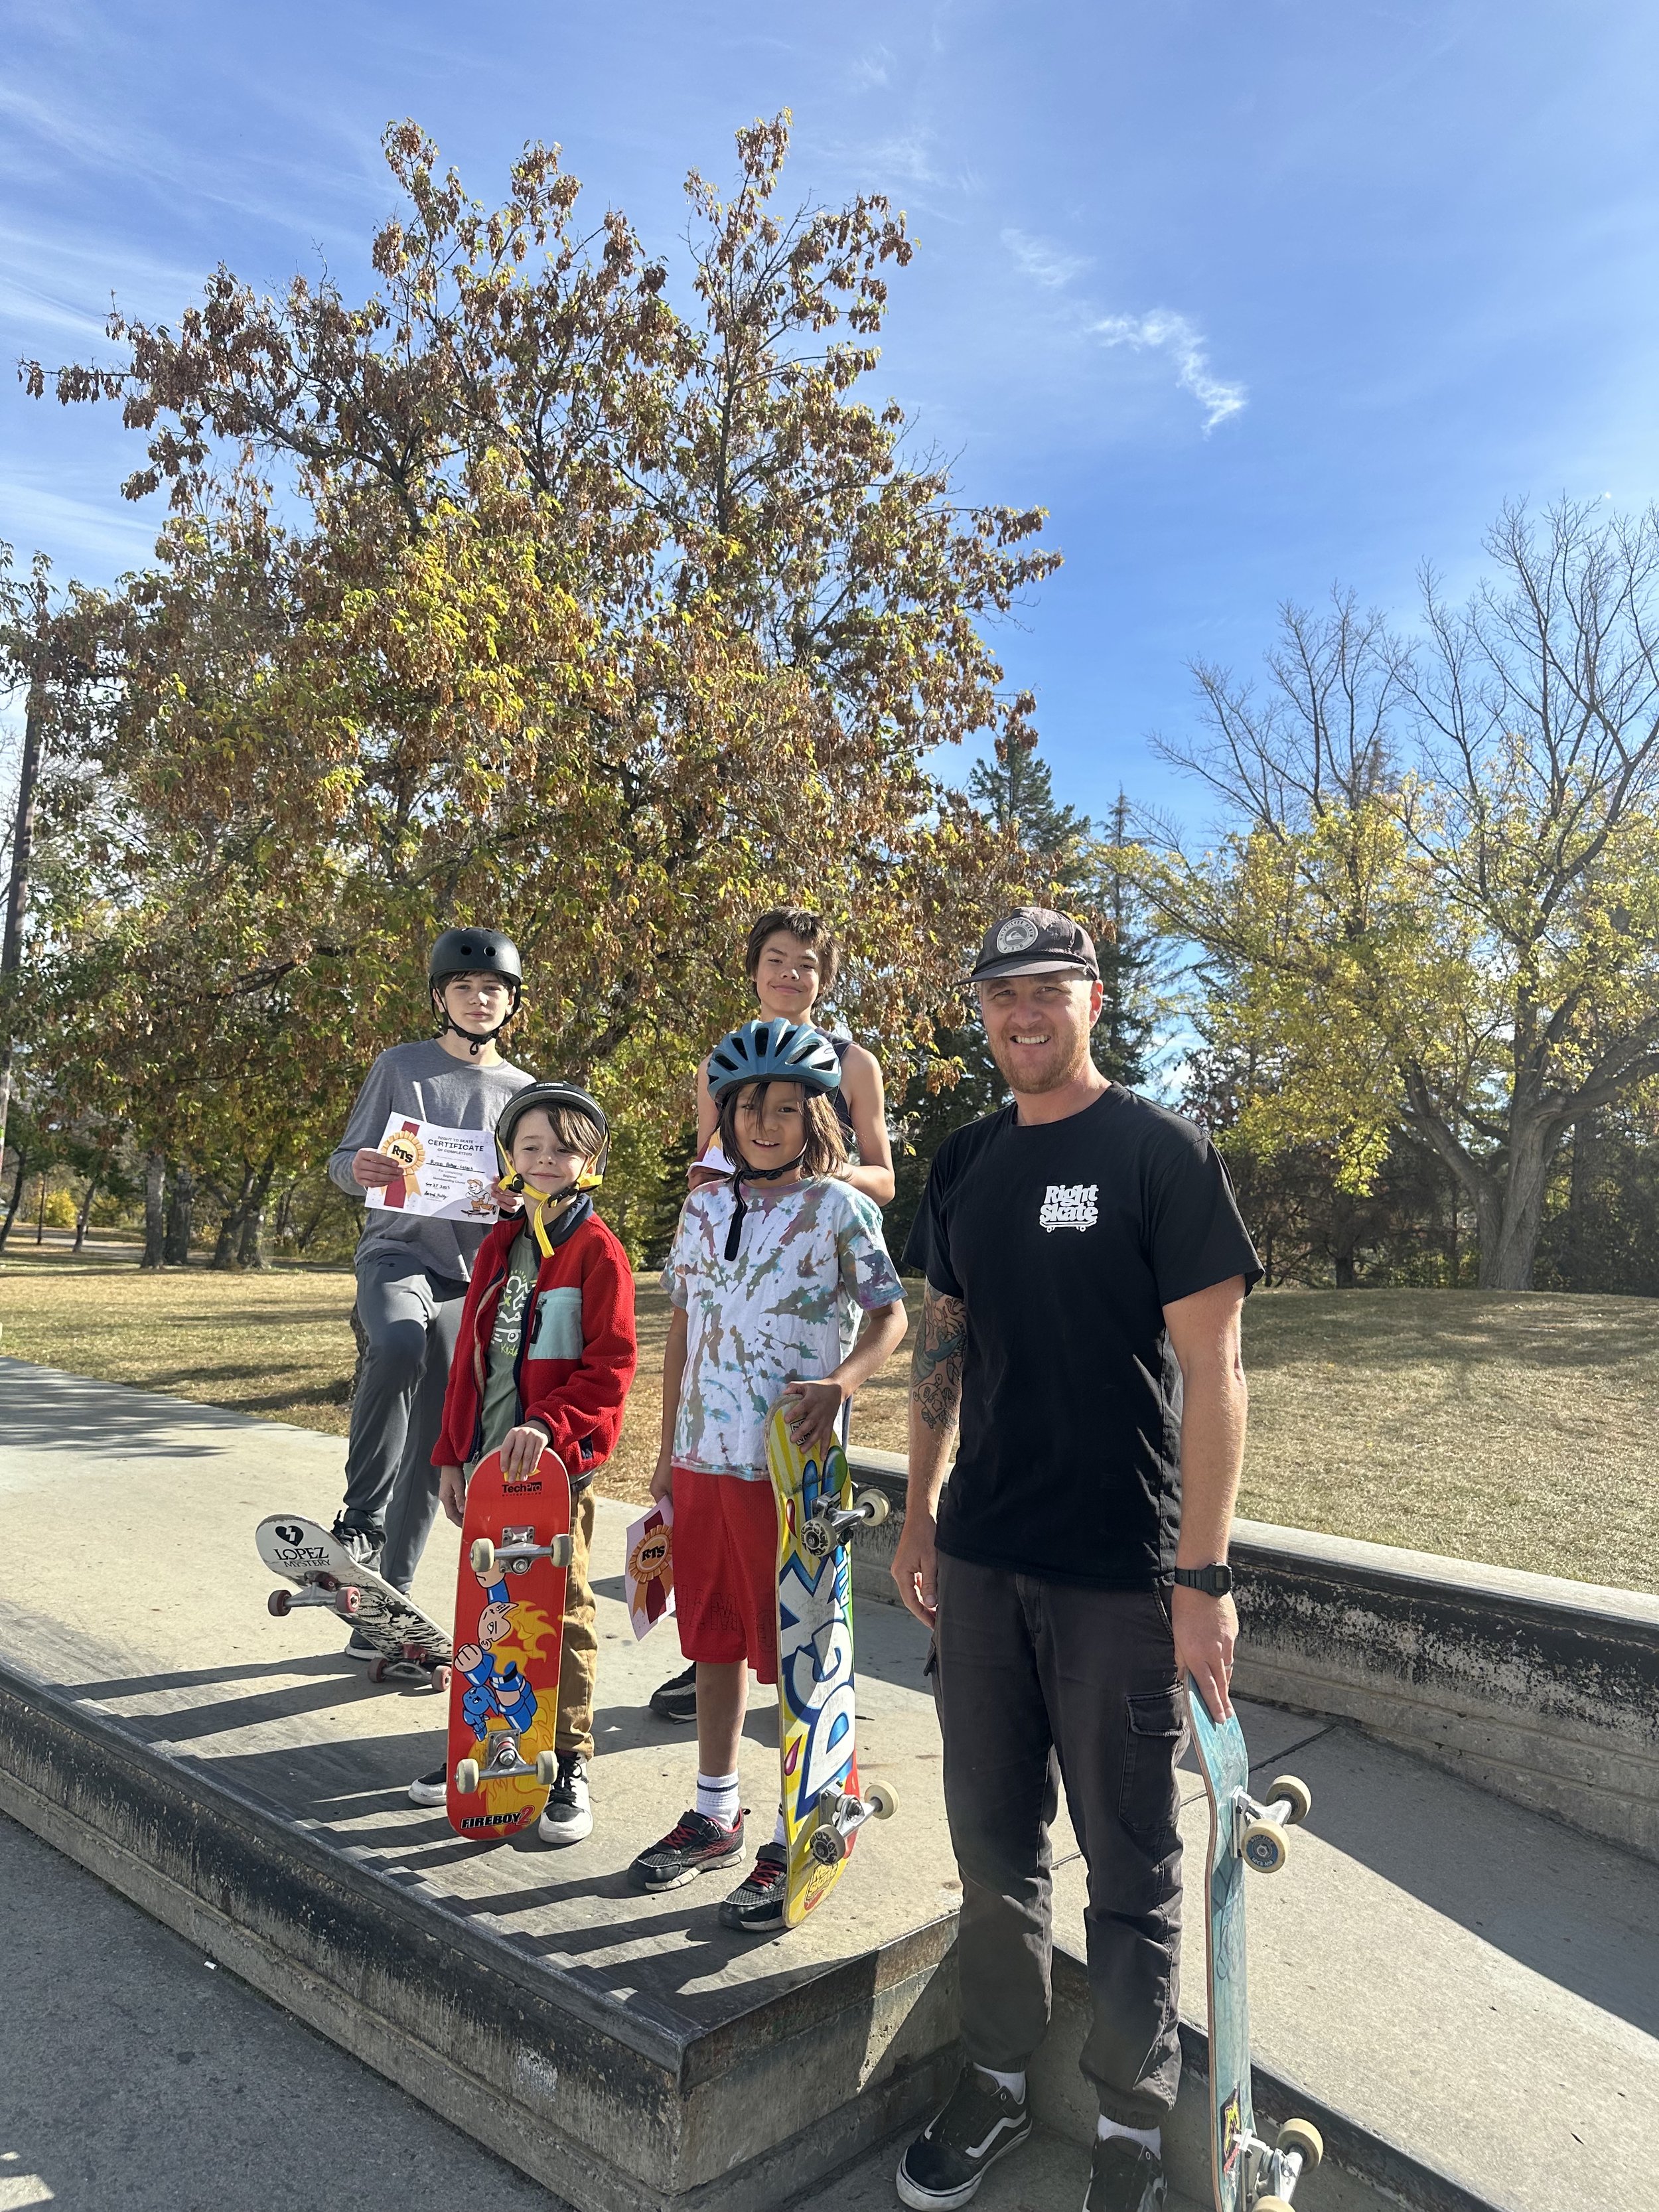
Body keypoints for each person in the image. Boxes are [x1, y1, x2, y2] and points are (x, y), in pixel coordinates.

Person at [889, 908, 1261, 2212]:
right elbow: (945, 1339)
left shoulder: (1158, 1152)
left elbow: (1214, 1378)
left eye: (1045, 990)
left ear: (1090, 999)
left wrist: (1199, 1581)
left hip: (1118, 1572)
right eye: (999, 996)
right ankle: (993, 2074)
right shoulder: (964, 1161)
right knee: (990, 1845)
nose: (1020, 1015)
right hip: (984, 1563)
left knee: (1132, 1859)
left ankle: (1125, 2121)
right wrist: (919, 1507)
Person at [628, 1018, 908, 1931]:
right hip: (706, 1464)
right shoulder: (703, 1208)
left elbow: (889, 1317)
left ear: (814, 1117)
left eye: (788, 1108)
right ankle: (714, 1810)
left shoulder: (840, 1208)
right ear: (727, 1115)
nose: (766, 1121)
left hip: (793, 1474)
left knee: (800, 1654)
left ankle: (804, 1822)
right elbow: (681, 1334)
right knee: (711, 1641)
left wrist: (843, 1383)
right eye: (751, 1106)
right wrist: (667, 1456)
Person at [652, 907, 897, 1725]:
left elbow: (884, 1180)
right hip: (709, 1412)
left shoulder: (850, 1063)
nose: (790, 974)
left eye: (806, 964)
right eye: (775, 960)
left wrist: (814, 1183)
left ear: (825, 978)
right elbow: (709, 1165)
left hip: (806, 1320)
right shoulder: (720, 1066)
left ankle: (808, 1713)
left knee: (798, 1589)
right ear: (753, 968)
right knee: (719, 1607)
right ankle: (717, 1738)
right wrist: (727, 1193)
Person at [406, 1082, 637, 1846]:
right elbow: (468, 1366)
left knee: (560, 1614)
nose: (545, 1161)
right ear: (510, 1157)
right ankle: (480, 1746)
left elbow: (610, 1368)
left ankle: (565, 1759)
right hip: (487, 1471)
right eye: (530, 1147)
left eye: (562, 1148)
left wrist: (550, 1425)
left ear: (590, 1159)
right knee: (487, 1610)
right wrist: (450, 1455)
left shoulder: (597, 1250)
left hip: (555, 1476)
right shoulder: (500, 1245)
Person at [327, 930, 534, 1633]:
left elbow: (539, 1184)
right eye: (464, 989)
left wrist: (520, 1197)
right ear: (440, 997)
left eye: (492, 991)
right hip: (396, 1255)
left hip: (471, 1278)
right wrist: (355, 1168)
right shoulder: (400, 1068)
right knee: (396, 1345)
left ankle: (390, 1602)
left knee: (436, 1436)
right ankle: (358, 1520)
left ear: (510, 1003)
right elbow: (344, 1157)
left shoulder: (524, 1092)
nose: (479, 1001)